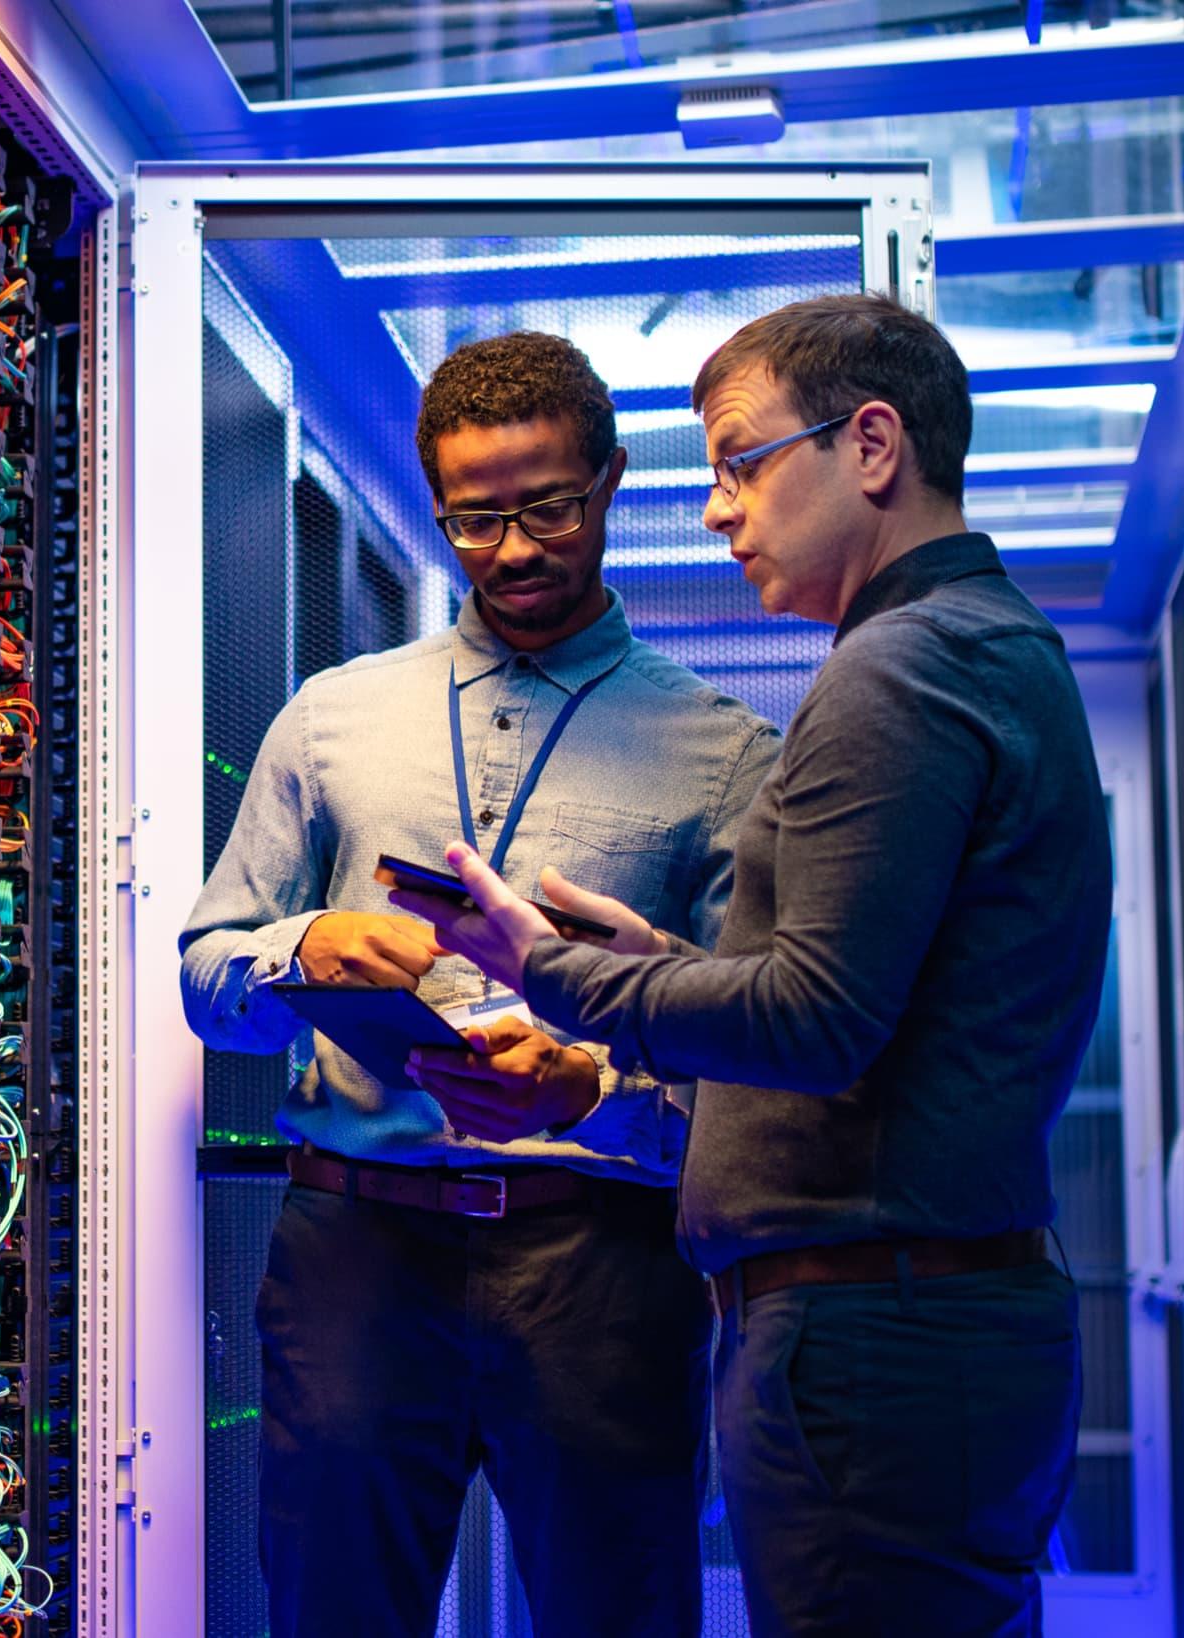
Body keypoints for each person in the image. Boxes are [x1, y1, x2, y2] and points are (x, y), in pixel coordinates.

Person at [396, 294, 1111, 1638]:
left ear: (873, 445)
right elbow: (878, 995)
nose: (718, 509)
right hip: (926, 1327)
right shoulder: (989, 647)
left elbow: (813, 1018)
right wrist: (670, 960)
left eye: (739, 459)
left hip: (873, 1339)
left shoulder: (894, 672)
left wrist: (544, 964)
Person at [179, 330, 780, 1637]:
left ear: (610, 482)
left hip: (600, 1261)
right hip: (355, 1251)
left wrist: (596, 1092)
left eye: (547, 508)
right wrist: (304, 951)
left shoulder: (728, 756)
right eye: (471, 519)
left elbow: (761, 1066)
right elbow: (204, 972)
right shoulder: (328, 716)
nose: (511, 550)